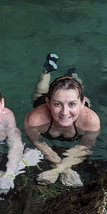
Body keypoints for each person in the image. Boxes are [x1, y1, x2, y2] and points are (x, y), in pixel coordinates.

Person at [24, 54, 101, 187]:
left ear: (82, 103)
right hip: (45, 104)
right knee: (40, 90)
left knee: (76, 86)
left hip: (78, 105)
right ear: (48, 103)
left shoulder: (90, 121)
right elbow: (40, 144)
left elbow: (84, 148)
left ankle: (73, 74)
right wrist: (61, 168)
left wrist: (58, 170)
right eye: (57, 104)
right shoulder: (35, 119)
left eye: (72, 104)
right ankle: (46, 71)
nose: (65, 113)